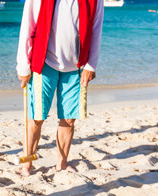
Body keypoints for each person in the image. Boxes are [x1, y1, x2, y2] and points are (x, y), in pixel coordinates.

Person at [17, 0, 104, 175]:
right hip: (44, 63)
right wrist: (23, 66)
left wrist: (90, 66)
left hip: (76, 67)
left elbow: (96, 30)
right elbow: (28, 26)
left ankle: (62, 163)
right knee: (36, 117)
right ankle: (27, 162)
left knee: (69, 119)